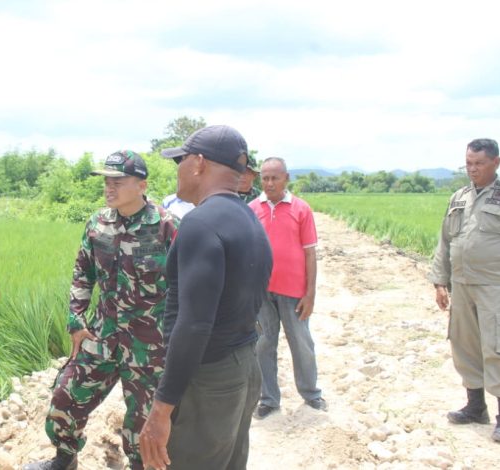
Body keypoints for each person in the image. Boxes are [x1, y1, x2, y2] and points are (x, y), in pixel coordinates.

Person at [25, 150, 177, 470]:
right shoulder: (98, 223)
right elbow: (83, 273)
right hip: (102, 334)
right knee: (64, 396)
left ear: (141, 185)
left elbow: (185, 286)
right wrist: (76, 320)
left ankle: (139, 465)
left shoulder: (167, 227)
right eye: (107, 181)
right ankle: (65, 458)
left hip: (149, 343)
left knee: (142, 420)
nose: (109, 187)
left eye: (118, 181)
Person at [139, 125, 272, 470]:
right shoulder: (248, 219)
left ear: (198, 163)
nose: (176, 171)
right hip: (244, 365)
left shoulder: (201, 224)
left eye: (180, 161)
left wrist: (162, 409)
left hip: (210, 377)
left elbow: (195, 323)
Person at [428, 138, 500, 445]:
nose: (472, 169)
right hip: (462, 286)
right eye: (468, 163)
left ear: (496, 163)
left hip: (498, 287)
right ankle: (476, 407)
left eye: (478, 163)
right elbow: (445, 241)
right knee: (465, 345)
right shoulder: (459, 197)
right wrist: (440, 281)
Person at [249, 157, 326, 420]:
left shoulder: (301, 209)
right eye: (265, 178)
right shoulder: (252, 209)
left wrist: (310, 294)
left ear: (286, 178)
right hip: (261, 291)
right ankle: (269, 399)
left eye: (275, 178)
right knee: (263, 344)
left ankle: (311, 395)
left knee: (301, 343)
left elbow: (310, 254)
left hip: (294, 292)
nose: (269, 183)